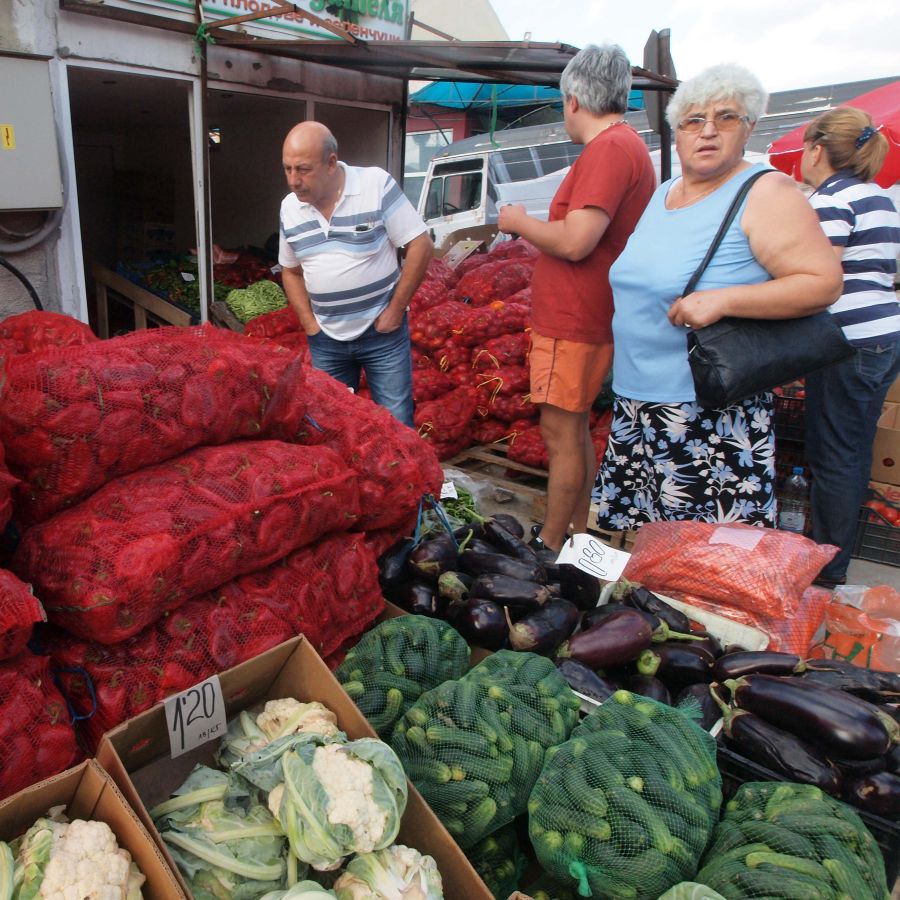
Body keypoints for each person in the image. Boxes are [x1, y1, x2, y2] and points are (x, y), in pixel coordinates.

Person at [593, 64, 843, 529]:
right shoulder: (665, 192)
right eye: (693, 120)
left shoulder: (765, 192)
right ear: (676, 130)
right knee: (654, 551)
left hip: (707, 414)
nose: (707, 131)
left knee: (706, 564)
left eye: (726, 117)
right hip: (639, 404)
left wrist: (723, 300)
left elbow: (822, 282)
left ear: (749, 126)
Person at [496, 44, 656, 554]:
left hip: (575, 318)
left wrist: (519, 222)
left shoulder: (609, 149)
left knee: (561, 431)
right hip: (586, 314)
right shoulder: (625, 146)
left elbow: (575, 241)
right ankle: (579, 534)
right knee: (577, 429)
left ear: (572, 100)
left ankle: (548, 544)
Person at [800, 107, 900, 587]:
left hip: (850, 340)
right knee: (854, 449)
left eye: (805, 147)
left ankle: (827, 568)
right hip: (885, 335)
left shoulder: (831, 199)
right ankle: (836, 553)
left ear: (818, 149)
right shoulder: (879, 197)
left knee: (835, 454)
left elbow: (819, 276)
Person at [278, 121, 433, 427]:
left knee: (396, 422)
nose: (293, 180)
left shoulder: (375, 185)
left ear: (331, 163)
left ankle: (400, 476)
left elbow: (420, 244)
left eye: (303, 169)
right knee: (329, 424)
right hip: (326, 339)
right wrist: (310, 325)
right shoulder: (289, 208)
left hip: (382, 333)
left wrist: (395, 310)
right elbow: (291, 272)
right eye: (287, 169)